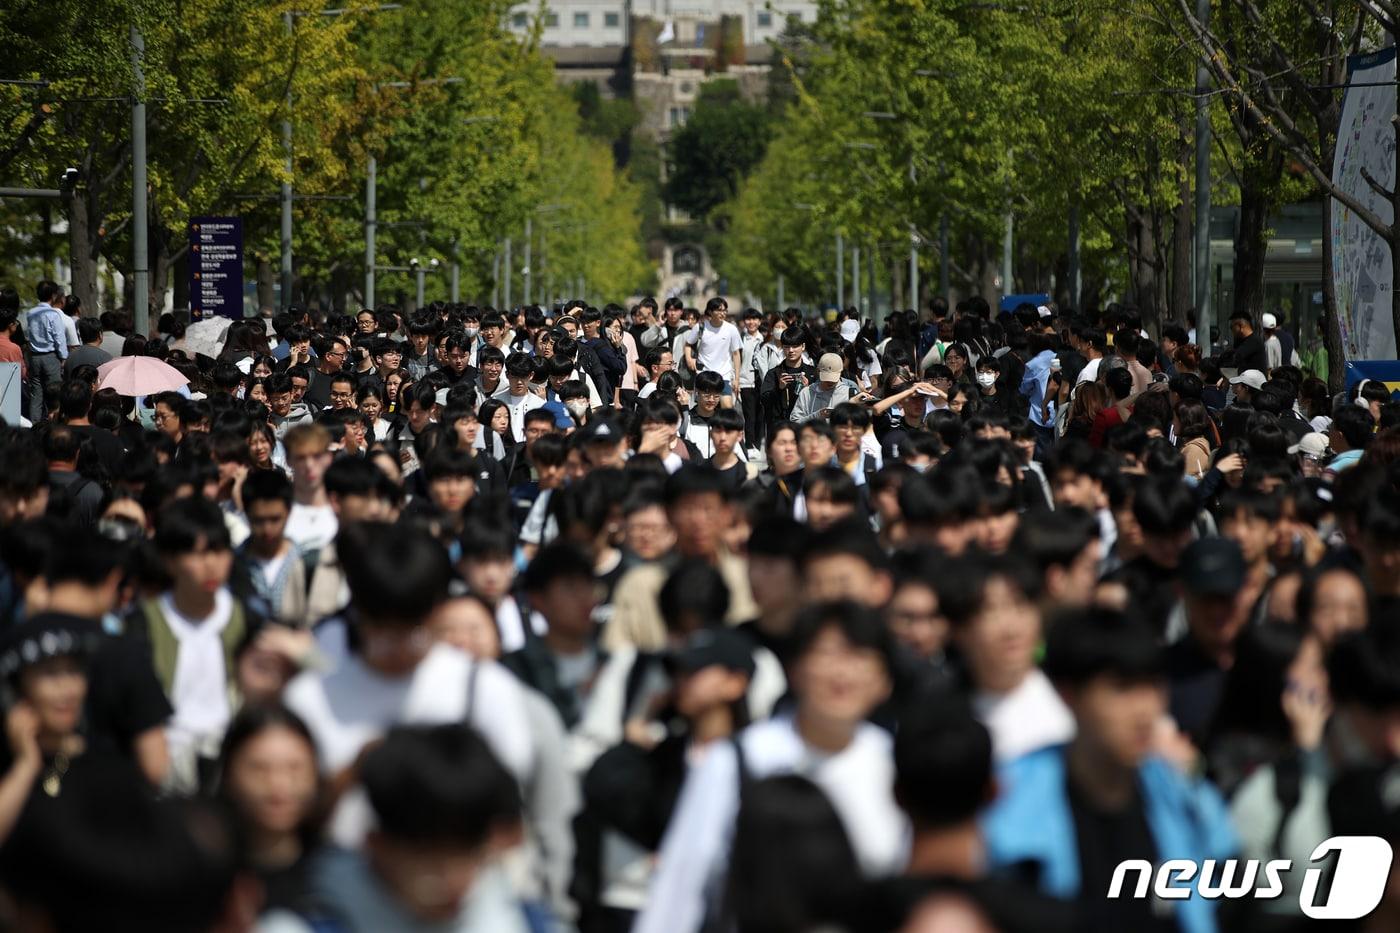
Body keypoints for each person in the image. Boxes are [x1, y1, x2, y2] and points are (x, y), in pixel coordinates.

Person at [633, 602, 907, 933]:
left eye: (859, 656)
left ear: (884, 681)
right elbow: (682, 881)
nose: (841, 672)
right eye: (827, 653)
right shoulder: (738, 759)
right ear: (795, 669)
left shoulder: (895, 762)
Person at [982, 607, 1238, 933]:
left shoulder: (1187, 802)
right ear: (1068, 694)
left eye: (1153, 686)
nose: (1145, 710)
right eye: (1121, 688)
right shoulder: (1011, 802)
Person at [282, 521, 533, 847]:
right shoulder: (308, 698)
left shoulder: (483, 688)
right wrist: (355, 772)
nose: (397, 645)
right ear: (358, 613)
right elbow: (292, 819)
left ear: (437, 611)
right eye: (382, 628)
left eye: (412, 628)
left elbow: (509, 813)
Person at [312, 724, 532, 932]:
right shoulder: (316, 921)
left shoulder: (524, 920)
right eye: (433, 859)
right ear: (377, 845)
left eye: (469, 852)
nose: (454, 880)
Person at [25, 280, 67, 423]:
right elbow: (59, 337)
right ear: (54, 295)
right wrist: (63, 357)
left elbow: (28, 335)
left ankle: (35, 425)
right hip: (50, 356)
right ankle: (55, 423)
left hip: (34, 357)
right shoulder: (53, 314)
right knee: (55, 393)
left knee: (36, 394)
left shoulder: (30, 313)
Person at [789, 353, 853, 423]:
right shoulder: (807, 392)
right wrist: (817, 415)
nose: (829, 382)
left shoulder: (849, 393)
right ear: (818, 371)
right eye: (826, 377)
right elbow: (795, 422)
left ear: (841, 372)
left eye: (833, 377)